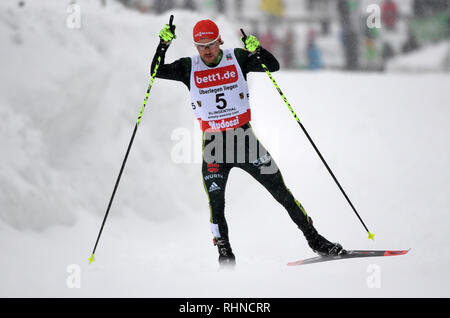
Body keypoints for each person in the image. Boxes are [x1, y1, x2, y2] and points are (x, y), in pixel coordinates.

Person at [152, 19, 344, 266]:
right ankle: (225, 254)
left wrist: (259, 50)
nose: (206, 51)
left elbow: (272, 66)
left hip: (245, 142)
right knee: (216, 204)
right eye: (201, 46)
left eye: (210, 44)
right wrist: (163, 44)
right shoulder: (188, 66)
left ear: (219, 41)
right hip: (214, 147)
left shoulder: (238, 58)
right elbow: (156, 71)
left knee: (282, 194)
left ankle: (316, 241)